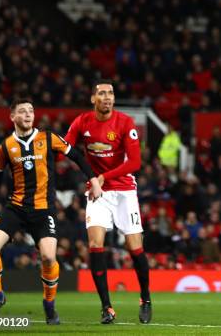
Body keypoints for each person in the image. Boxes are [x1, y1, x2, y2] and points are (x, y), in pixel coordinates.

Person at [0, 98, 103, 324]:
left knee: (47, 257)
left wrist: (93, 179)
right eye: (22, 111)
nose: (28, 115)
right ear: (12, 117)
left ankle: (49, 305)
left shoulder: (48, 138)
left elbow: (76, 156)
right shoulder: (5, 146)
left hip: (44, 210)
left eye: (31, 111)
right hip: (15, 208)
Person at [64, 79, 150, 324]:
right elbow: (66, 146)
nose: (107, 97)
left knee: (135, 247)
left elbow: (135, 163)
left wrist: (101, 176)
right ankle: (106, 307)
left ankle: (145, 298)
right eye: (101, 93)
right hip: (97, 193)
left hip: (123, 191)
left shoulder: (125, 122)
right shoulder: (82, 121)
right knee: (95, 244)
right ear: (93, 99)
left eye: (110, 93)